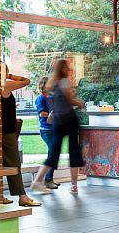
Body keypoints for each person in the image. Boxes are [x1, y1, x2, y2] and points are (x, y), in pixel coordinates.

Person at [31, 58, 84, 194]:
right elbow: (70, 99)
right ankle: (74, 185)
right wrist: (79, 103)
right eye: (67, 67)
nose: (69, 69)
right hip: (69, 120)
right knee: (74, 152)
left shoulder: (52, 85)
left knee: (54, 153)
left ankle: (38, 180)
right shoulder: (64, 82)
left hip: (57, 122)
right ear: (62, 69)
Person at [1, 68, 39, 207]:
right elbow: (25, 81)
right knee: (14, 163)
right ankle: (22, 196)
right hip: (7, 131)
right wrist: (9, 76)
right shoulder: (4, 85)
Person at [35, 76, 59, 189]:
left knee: (53, 154)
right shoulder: (41, 98)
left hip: (54, 129)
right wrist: (51, 113)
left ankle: (48, 179)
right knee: (53, 153)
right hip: (46, 130)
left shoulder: (52, 97)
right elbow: (42, 113)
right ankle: (47, 180)